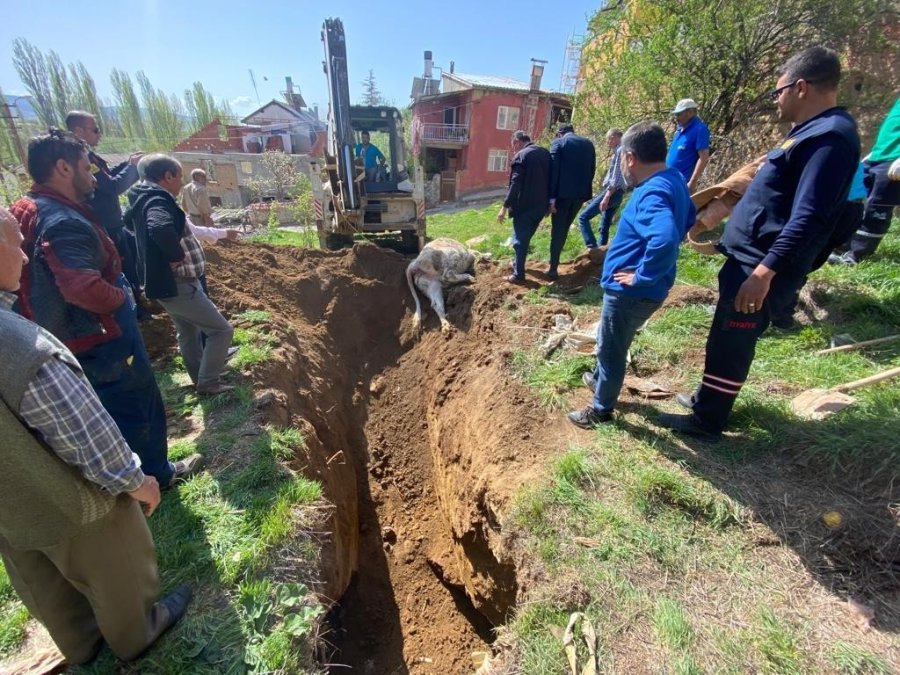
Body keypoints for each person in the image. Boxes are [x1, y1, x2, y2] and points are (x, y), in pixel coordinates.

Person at [0, 205, 192, 668]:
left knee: (44, 585)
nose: (25, 259)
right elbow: (80, 432)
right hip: (72, 506)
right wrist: (135, 480)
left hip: (10, 511)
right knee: (118, 565)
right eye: (14, 245)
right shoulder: (20, 345)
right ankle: (136, 635)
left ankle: (82, 646)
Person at [659, 46, 860, 439]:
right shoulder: (808, 133)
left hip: (761, 266)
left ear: (801, 87)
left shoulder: (831, 139)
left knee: (733, 338)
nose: (776, 99)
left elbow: (810, 216)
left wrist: (765, 271)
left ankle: (708, 421)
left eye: (778, 91)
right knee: (724, 336)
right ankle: (707, 401)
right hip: (748, 258)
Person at [10, 130, 199, 487]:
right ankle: (155, 476)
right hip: (99, 338)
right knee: (135, 403)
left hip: (63, 338)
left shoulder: (25, 208)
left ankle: (125, 480)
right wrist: (122, 298)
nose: (95, 177)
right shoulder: (63, 220)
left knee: (104, 413)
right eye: (88, 167)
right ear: (63, 168)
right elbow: (81, 287)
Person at [568, 122, 695, 429]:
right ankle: (599, 380)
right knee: (610, 338)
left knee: (613, 349)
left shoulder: (651, 193)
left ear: (630, 157)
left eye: (622, 155)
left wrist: (641, 276)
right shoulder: (674, 178)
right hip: (644, 290)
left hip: (631, 293)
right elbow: (689, 216)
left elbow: (664, 238)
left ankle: (600, 410)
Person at [125, 153, 235, 395]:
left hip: (165, 285)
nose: (181, 183)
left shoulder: (140, 199)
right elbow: (159, 228)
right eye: (179, 177)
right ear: (167, 176)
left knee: (188, 333)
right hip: (178, 284)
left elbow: (131, 226)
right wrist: (176, 256)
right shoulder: (157, 201)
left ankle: (201, 378)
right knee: (222, 330)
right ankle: (208, 381)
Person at [65, 111, 144, 306]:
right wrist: (133, 168)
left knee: (131, 261)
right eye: (95, 129)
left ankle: (137, 301)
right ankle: (133, 308)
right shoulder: (84, 161)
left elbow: (107, 177)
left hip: (113, 222)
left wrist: (127, 163)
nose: (99, 134)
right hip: (106, 224)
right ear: (78, 131)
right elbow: (112, 187)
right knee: (121, 268)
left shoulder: (90, 158)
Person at [831, 96, 900, 264]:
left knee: (877, 207)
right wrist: (874, 153)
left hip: (895, 160)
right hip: (879, 156)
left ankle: (856, 256)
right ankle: (840, 244)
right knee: (851, 197)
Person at [497, 130, 551, 283]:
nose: (514, 149)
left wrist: (505, 206)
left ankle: (518, 275)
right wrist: (550, 203)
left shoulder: (521, 156)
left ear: (518, 142)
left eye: (514, 146)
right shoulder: (545, 153)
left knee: (519, 240)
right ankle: (517, 263)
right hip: (541, 206)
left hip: (525, 206)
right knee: (525, 238)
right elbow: (553, 179)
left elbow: (516, 183)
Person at [548, 123, 596, 279]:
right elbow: (592, 170)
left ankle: (553, 268)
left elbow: (553, 171)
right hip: (580, 195)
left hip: (562, 196)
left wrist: (551, 198)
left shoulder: (559, 143)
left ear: (560, 133)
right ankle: (555, 262)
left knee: (558, 230)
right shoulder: (588, 144)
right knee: (565, 227)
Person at [577, 128, 626, 248]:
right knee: (604, 225)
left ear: (614, 137)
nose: (607, 143)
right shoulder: (623, 151)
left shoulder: (620, 151)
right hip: (619, 194)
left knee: (583, 217)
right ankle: (602, 255)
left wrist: (607, 197)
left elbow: (616, 177)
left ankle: (592, 247)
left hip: (612, 192)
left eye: (608, 139)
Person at [666, 99, 711, 192]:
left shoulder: (700, 129)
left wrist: (692, 182)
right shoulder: (679, 130)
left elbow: (703, 157)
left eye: (679, 114)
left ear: (690, 112)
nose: (676, 118)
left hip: (682, 184)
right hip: (668, 181)